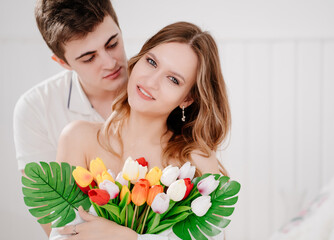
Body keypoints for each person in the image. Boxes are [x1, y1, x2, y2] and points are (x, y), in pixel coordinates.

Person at [52, 21, 231, 240]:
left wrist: (127, 237)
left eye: (173, 79)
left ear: (187, 98)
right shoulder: (78, 138)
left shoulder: (195, 162)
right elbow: (61, 234)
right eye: (151, 62)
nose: (151, 81)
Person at [13, 0, 127, 236]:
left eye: (112, 43)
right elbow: (52, 216)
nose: (110, 62)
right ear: (63, 63)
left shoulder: (160, 87)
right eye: (89, 58)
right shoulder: (35, 109)